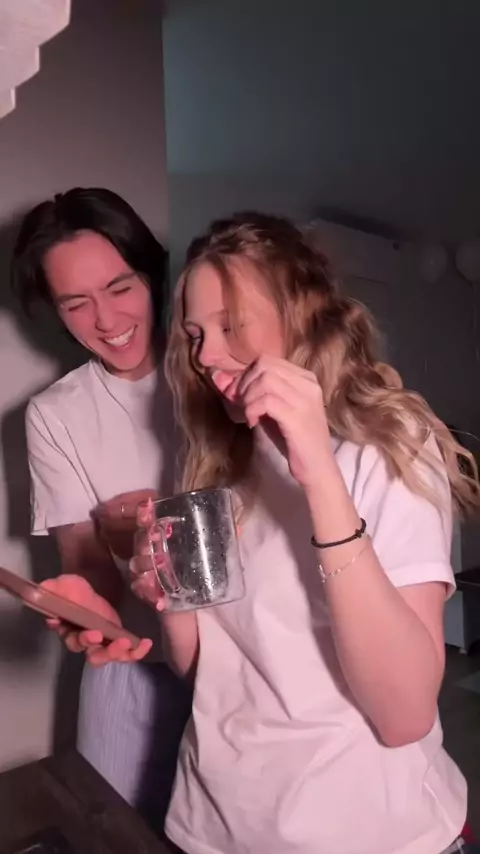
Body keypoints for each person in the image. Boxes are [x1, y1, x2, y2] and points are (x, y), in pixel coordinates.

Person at [137, 211, 478, 854]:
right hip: (208, 830)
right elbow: (206, 672)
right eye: (195, 335)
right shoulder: (214, 462)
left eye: (231, 325)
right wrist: (169, 595)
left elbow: (404, 715)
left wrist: (318, 471)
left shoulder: (389, 447)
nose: (205, 356)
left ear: (302, 318)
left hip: (367, 835)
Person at [11, 187, 191, 834]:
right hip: (135, 664)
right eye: (76, 303)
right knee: (112, 831)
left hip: (246, 661)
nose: (106, 319)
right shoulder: (55, 415)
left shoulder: (214, 371)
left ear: (151, 274)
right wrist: (86, 601)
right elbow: (88, 572)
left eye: (120, 287)